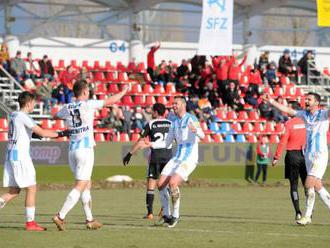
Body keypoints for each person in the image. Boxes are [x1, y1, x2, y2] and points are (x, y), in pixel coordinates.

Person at [52, 80, 129, 231]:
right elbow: (111, 101)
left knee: (86, 183)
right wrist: (124, 91)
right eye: (88, 91)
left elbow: (55, 116)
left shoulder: (67, 107)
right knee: (80, 185)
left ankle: (89, 219)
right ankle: (60, 216)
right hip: (85, 149)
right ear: (85, 92)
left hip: (72, 150)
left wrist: (70, 123)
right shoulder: (88, 104)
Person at [0, 91, 68, 231]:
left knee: (14, 191)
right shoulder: (24, 116)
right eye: (34, 103)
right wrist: (62, 133)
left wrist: (36, 136)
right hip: (20, 157)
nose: (34, 105)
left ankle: (30, 223)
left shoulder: (14, 115)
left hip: (12, 155)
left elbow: (26, 133)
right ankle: (30, 223)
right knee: (31, 188)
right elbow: (42, 132)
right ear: (29, 103)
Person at [264, 92, 330, 225]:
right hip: (308, 155)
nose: (306, 101)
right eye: (306, 99)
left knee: (308, 184)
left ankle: (307, 216)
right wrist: (271, 101)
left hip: (319, 154)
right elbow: (288, 110)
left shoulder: (323, 114)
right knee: (317, 186)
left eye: (309, 99)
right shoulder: (304, 115)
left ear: (316, 103)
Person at [148, 96, 205, 228]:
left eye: (176, 104)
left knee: (173, 183)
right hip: (177, 158)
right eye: (173, 104)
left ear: (183, 105)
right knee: (160, 184)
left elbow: (202, 135)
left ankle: (176, 215)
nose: (173, 106)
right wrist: (151, 144)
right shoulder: (173, 121)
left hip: (189, 158)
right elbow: (167, 142)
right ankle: (167, 215)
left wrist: (196, 131)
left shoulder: (191, 118)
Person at [122, 103, 172, 220]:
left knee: (151, 184)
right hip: (168, 156)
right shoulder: (171, 124)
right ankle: (165, 208)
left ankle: (150, 213)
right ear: (164, 112)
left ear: (155, 112)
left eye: (152, 111)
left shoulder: (150, 124)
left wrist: (129, 154)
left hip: (156, 157)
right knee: (166, 184)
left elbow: (140, 141)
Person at [272, 101, 307, 221]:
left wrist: (276, 157)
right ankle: (309, 213)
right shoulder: (306, 122)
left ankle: (298, 212)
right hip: (305, 155)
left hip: (292, 155)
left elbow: (283, 141)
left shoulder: (289, 124)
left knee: (294, 186)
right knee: (308, 185)